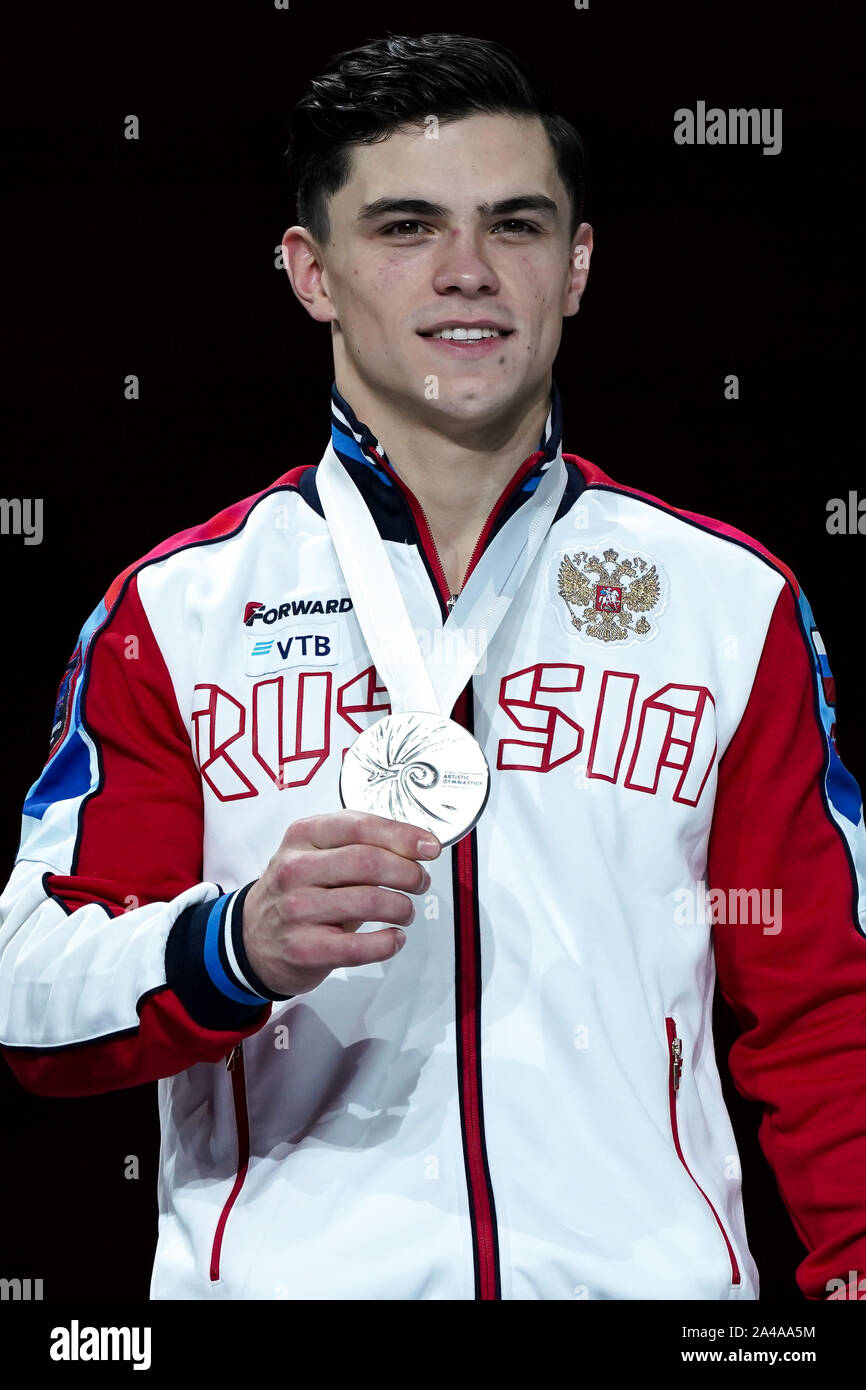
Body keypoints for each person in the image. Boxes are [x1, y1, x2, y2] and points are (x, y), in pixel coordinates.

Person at [1, 31, 864, 1303]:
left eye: (514, 226)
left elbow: (828, 1010)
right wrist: (233, 943)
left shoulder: (730, 600)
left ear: (575, 267)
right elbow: (29, 996)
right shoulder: (173, 610)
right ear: (311, 273)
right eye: (406, 227)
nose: (468, 273)